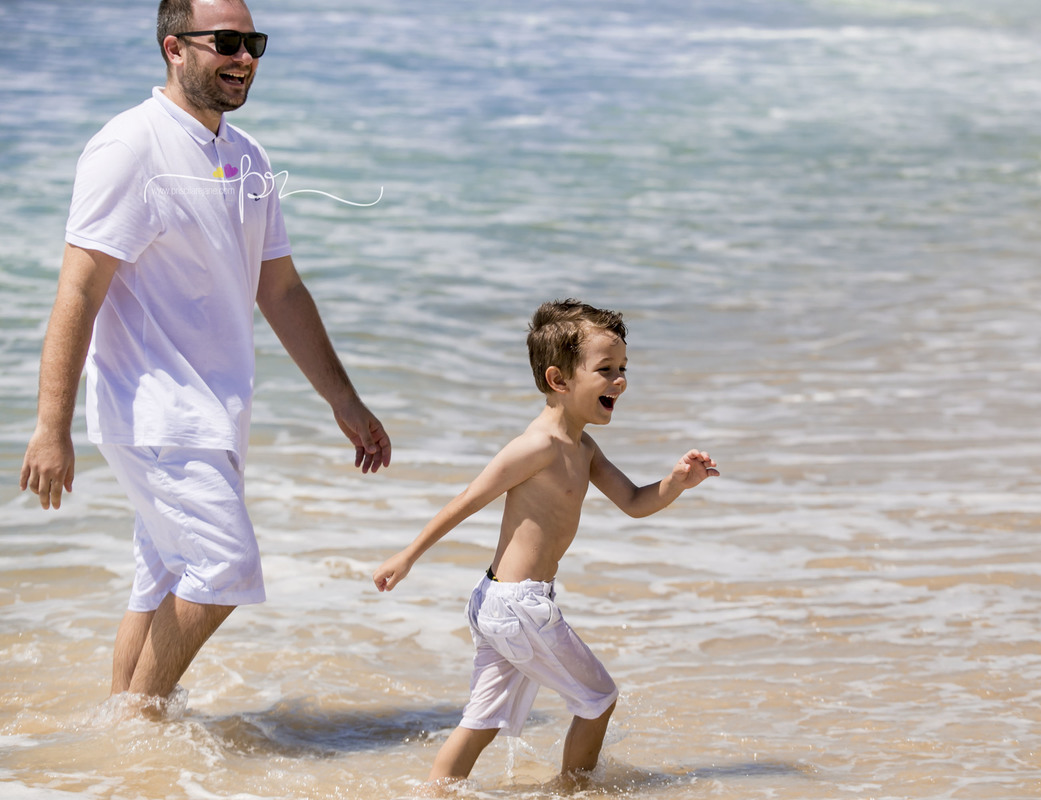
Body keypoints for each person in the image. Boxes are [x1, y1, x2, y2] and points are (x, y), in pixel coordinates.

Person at [18, 0, 391, 712]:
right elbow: (78, 289)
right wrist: (50, 425)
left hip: (216, 410)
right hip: (154, 410)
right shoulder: (129, 146)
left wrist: (344, 400)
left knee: (159, 579)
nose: (244, 57)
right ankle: (144, 729)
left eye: (252, 42)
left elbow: (279, 290)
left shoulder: (247, 156)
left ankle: (128, 742)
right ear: (174, 47)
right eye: (226, 41)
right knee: (223, 567)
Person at [373, 299, 718, 788]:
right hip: (517, 605)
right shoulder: (538, 445)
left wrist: (678, 481)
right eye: (605, 370)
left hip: (504, 603)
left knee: (482, 720)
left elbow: (636, 502)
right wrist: (407, 556)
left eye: (623, 369)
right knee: (597, 699)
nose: (620, 381)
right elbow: (469, 499)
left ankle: (437, 791)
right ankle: (574, 790)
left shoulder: (583, 447)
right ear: (559, 380)